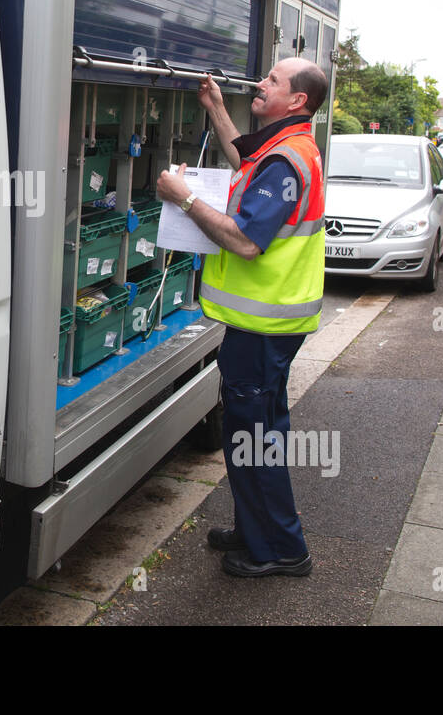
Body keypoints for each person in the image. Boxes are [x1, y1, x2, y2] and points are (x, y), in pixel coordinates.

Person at [156, 56, 326, 579]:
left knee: (254, 440)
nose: (260, 82)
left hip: (264, 329)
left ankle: (280, 549)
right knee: (257, 433)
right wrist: (216, 111)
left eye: (273, 80)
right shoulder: (286, 149)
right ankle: (260, 531)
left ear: (296, 101)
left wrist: (184, 200)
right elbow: (244, 164)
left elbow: (247, 241)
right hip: (271, 327)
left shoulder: (285, 161)